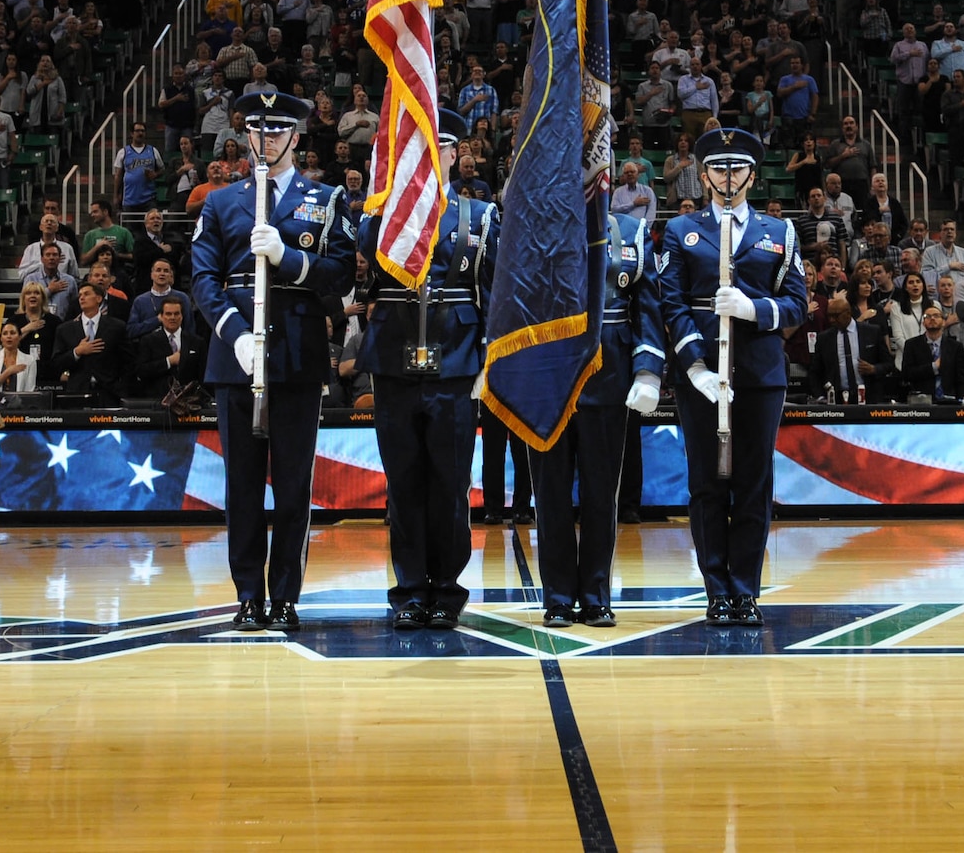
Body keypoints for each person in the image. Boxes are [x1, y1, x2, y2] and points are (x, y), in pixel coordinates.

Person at [192, 86, 356, 634]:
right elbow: (203, 279)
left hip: (296, 351)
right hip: (235, 354)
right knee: (240, 485)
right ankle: (247, 595)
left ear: (297, 135)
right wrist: (234, 332)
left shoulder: (324, 198)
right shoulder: (220, 201)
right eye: (258, 131)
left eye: (278, 130)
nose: (267, 140)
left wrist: (289, 258)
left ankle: (285, 595)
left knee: (291, 485)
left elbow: (341, 273)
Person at [656, 127, 809, 627]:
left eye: (736, 168)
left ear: (751, 174)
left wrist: (754, 308)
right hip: (699, 374)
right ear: (702, 175)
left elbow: (797, 305)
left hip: (760, 374)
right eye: (718, 168)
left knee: (753, 482)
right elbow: (671, 305)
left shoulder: (779, 233)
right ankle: (715, 588)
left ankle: (744, 590)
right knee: (705, 483)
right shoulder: (681, 232)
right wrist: (695, 364)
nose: (727, 177)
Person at [356, 108, 500, 631]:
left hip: (457, 359)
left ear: (455, 151)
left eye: (438, 146)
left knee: (450, 479)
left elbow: (493, 294)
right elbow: (368, 258)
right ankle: (410, 588)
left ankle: (447, 585)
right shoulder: (381, 218)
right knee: (403, 479)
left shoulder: (479, 216)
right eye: (415, 145)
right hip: (394, 359)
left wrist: (490, 361)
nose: (428, 156)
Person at [528, 205, 663, 629]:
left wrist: (647, 369)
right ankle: (557, 597)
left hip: (608, 377)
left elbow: (647, 307)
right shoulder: (534, 220)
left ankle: (595, 595)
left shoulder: (633, 230)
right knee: (550, 495)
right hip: (547, 377)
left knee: (602, 496)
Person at [47, 282, 129, 396]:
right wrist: (77, 352)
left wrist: (121, 386)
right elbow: (56, 363)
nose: (82, 298)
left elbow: (128, 361)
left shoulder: (117, 327)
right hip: (77, 392)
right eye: (80, 295)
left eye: (86, 294)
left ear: (99, 298)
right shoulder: (65, 329)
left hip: (110, 392)